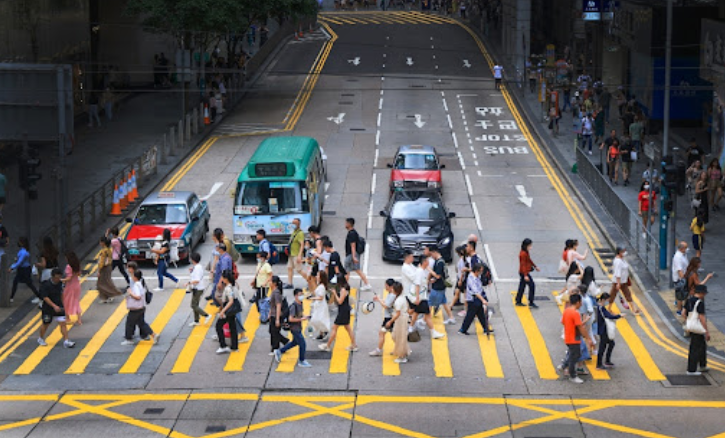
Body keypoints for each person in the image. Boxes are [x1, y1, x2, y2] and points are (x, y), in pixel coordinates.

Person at [37, 268, 75, 348]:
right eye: (56, 277)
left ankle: (66, 341)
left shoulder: (60, 283)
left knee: (63, 324)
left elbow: (61, 293)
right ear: (52, 277)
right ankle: (40, 338)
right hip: (48, 308)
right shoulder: (46, 285)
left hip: (59, 306)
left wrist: (63, 305)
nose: (58, 279)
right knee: (46, 324)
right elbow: (45, 297)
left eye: (59, 277)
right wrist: (54, 306)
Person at [407, 256, 445, 339]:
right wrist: (417, 298)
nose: (428, 262)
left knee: (416, 313)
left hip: (421, 296)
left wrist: (429, 280)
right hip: (420, 297)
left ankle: (410, 328)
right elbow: (417, 285)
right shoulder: (420, 271)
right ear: (424, 262)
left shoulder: (422, 270)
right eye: (427, 261)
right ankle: (433, 332)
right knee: (427, 315)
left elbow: (422, 282)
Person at [319, 275, 359, 352]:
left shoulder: (343, 289)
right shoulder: (345, 287)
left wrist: (334, 293)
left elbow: (340, 301)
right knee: (348, 328)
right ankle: (354, 345)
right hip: (344, 310)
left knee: (334, 327)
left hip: (343, 311)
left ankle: (328, 346)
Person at [274, 288, 312, 368]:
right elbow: (290, 319)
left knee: (294, 342)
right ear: (295, 296)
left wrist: (305, 317)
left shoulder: (300, 304)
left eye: (302, 294)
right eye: (299, 295)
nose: (301, 296)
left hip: (298, 327)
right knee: (303, 344)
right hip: (294, 328)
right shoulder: (293, 306)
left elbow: (299, 315)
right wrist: (301, 319)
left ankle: (279, 351)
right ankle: (301, 361)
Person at [562, 294, 592, 384]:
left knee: (574, 354)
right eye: (581, 302)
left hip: (568, 337)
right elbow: (580, 327)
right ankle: (572, 375)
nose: (581, 304)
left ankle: (564, 365)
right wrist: (588, 338)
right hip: (574, 338)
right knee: (574, 357)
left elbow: (563, 322)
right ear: (578, 302)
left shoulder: (566, 311)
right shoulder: (575, 313)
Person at [123, 269, 157, 346]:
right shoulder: (140, 284)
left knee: (129, 323)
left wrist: (130, 293)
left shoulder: (136, 285)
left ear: (135, 277)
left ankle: (129, 339)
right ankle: (154, 335)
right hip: (141, 307)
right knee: (141, 323)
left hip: (136, 308)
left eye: (132, 276)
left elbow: (138, 297)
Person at [458, 262, 490, 336]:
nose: (481, 272)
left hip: (477, 299)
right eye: (480, 271)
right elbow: (475, 292)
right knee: (470, 315)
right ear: (476, 271)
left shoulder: (476, 276)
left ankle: (485, 328)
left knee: (481, 314)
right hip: (473, 299)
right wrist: (483, 300)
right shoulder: (471, 279)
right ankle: (463, 329)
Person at [684, 285, 710, 375]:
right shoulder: (700, 303)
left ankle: (703, 365)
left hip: (691, 327)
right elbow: (702, 318)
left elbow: (684, 313)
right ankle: (691, 370)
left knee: (702, 346)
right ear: (701, 293)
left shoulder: (689, 300)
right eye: (705, 293)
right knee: (695, 348)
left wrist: (688, 322)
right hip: (697, 328)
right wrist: (706, 331)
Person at [215, 270, 242, 354]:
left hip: (228, 309)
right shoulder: (234, 285)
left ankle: (223, 345)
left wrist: (223, 311)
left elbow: (230, 301)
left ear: (226, 279)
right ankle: (234, 346)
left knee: (218, 326)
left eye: (222, 277)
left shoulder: (228, 288)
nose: (222, 279)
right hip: (232, 310)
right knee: (232, 326)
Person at [369, 278, 397, 357]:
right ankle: (398, 348)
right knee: (394, 335)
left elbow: (386, 306)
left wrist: (379, 300)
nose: (385, 287)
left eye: (386, 285)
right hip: (390, 317)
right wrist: (379, 299)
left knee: (381, 333)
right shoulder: (391, 293)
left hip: (389, 318)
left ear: (390, 286)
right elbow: (386, 302)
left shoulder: (392, 295)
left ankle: (378, 350)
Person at [428, 246, 456, 325]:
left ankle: (424, 320)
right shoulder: (440, 261)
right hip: (441, 286)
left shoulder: (439, 262)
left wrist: (429, 269)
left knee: (430, 302)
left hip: (438, 287)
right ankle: (451, 317)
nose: (431, 256)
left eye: (431, 254)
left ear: (434, 252)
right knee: (444, 302)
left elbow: (438, 276)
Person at [608, 246, 640, 314]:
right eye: (623, 251)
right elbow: (618, 273)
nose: (624, 253)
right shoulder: (618, 261)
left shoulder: (622, 259)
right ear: (619, 252)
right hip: (617, 282)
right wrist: (618, 283)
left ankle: (634, 309)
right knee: (612, 295)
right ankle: (608, 309)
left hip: (623, 281)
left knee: (628, 294)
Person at [596, 292, 622, 370]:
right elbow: (608, 316)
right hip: (603, 330)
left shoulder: (601, 307)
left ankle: (606, 361)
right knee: (602, 347)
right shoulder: (601, 308)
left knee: (611, 344)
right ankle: (599, 364)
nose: (608, 302)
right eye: (607, 300)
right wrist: (619, 315)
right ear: (603, 299)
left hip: (604, 329)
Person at [343, 218, 371, 290]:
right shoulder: (353, 232)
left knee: (348, 270)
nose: (345, 224)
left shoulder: (352, 234)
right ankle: (345, 285)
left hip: (351, 255)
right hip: (351, 255)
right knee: (351, 270)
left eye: (346, 223)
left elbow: (353, 245)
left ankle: (344, 286)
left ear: (349, 224)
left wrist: (353, 256)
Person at [97, 236, 124, 303]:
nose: (100, 243)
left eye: (101, 242)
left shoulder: (103, 251)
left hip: (104, 268)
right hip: (109, 267)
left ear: (103, 243)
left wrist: (99, 270)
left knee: (101, 283)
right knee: (106, 282)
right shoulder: (109, 250)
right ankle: (105, 297)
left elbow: (102, 262)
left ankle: (112, 293)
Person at [187, 253, 211, 326]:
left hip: (198, 289)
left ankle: (206, 315)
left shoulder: (197, 268)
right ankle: (196, 320)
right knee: (196, 304)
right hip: (197, 288)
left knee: (193, 305)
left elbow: (197, 280)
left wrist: (188, 283)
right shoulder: (197, 266)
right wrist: (192, 271)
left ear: (193, 259)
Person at [390, 282, 410, 363]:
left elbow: (398, 314)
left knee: (400, 338)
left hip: (401, 319)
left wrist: (390, 322)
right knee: (395, 336)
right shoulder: (401, 297)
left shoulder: (398, 300)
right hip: (401, 318)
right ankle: (403, 350)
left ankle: (402, 356)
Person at [516, 238, 539, 307]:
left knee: (522, 286)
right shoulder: (523, 254)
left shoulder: (525, 252)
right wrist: (525, 275)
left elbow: (529, 260)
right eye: (530, 246)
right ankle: (531, 302)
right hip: (524, 272)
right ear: (526, 245)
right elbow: (523, 265)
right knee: (532, 286)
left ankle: (518, 300)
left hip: (523, 272)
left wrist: (535, 266)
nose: (531, 247)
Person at [61, 251, 83, 326]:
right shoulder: (77, 265)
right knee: (76, 301)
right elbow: (79, 273)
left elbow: (69, 278)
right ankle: (79, 320)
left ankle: (67, 318)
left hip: (70, 286)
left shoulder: (68, 266)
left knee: (65, 301)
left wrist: (61, 280)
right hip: (77, 285)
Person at [269, 276, 290, 353]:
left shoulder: (276, 293)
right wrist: (270, 313)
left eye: (270, 281)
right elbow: (272, 305)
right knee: (272, 331)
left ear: (274, 283)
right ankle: (285, 341)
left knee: (274, 332)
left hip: (276, 315)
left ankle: (275, 348)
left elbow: (278, 305)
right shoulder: (274, 291)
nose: (269, 282)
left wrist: (277, 319)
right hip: (273, 314)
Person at [309, 270, 331, 341]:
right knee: (320, 318)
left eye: (318, 275)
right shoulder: (320, 285)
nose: (316, 276)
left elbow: (321, 297)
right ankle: (321, 333)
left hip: (321, 305)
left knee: (318, 319)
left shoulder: (321, 287)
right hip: (319, 305)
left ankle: (324, 331)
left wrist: (312, 298)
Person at [286, 218, 306, 289]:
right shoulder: (294, 232)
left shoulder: (300, 233)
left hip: (296, 254)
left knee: (299, 270)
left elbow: (302, 244)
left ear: (298, 224)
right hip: (291, 254)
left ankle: (309, 281)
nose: (293, 225)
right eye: (292, 223)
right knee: (289, 268)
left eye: (295, 223)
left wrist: (299, 255)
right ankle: (290, 283)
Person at [672, 242, 689, 315]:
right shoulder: (678, 257)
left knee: (678, 292)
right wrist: (684, 279)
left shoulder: (683, 254)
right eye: (686, 247)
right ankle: (679, 310)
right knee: (680, 295)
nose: (687, 249)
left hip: (682, 277)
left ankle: (676, 302)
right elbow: (680, 271)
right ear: (681, 249)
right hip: (679, 279)